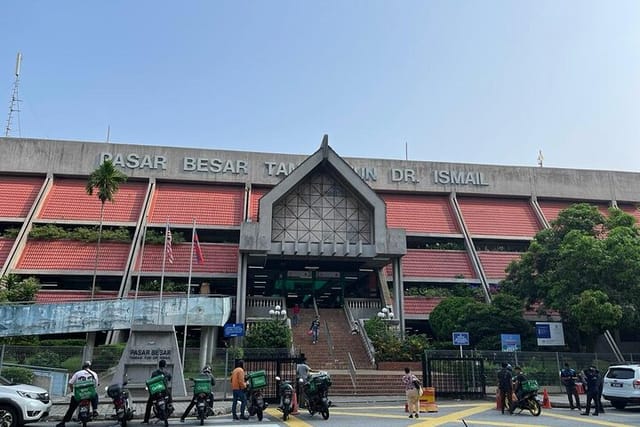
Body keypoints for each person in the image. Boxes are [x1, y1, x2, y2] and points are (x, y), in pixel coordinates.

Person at [56, 361, 99, 427]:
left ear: (83, 367)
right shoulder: (94, 374)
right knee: (95, 395)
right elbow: (95, 385)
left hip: (78, 395)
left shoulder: (77, 373)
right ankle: (95, 410)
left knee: (71, 408)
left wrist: (72, 390)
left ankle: (63, 422)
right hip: (89, 394)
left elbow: (70, 383)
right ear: (90, 367)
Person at [143, 359, 173, 424]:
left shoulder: (154, 373)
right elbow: (170, 378)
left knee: (149, 405)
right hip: (164, 391)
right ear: (165, 365)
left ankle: (146, 420)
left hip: (156, 392)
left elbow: (151, 382)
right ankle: (170, 405)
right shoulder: (167, 373)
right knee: (169, 396)